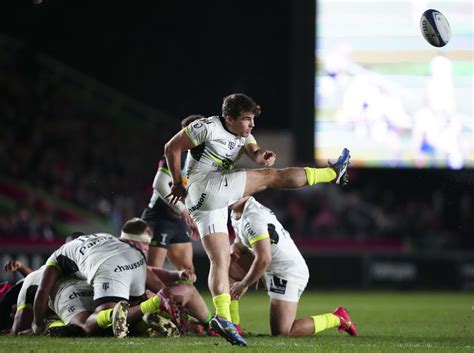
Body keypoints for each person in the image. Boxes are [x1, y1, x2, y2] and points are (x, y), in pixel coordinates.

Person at [164, 93, 351, 346]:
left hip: (204, 203)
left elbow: (253, 151)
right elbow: (171, 147)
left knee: (220, 261)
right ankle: (332, 173)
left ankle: (222, 316)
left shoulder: (242, 133)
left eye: (252, 119)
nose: (251, 124)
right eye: (246, 119)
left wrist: (262, 155)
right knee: (271, 177)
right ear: (228, 118)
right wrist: (177, 181)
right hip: (206, 187)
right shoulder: (207, 126)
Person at [229, 196, 358, 337]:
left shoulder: (253, 217)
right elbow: (243, 240)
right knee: (226, 263)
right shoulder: (236, 212)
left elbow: (264, 259)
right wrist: (235, 246)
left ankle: (337, 318)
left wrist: (243, 284)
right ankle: (233, 325)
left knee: (283, 332)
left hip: (287, 272)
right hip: (270, 267)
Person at [32, 219, 174, 338]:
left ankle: (133, 310)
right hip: (135, 258)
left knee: (91, 325)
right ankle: (153, 314)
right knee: (132, 307)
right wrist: (167, 293)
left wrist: (38, 324)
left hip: (106, 267)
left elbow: (43, 291)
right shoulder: (102, 236)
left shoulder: (60, 253)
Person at [142, 115, 202, 271]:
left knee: (188, 273)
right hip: (159, 217)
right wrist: (183, 210)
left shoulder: (200, 159)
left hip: (177, 221)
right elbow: (159, 184)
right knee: (153, 273)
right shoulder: (177, 154)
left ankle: (172, 296)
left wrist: (192, 217)